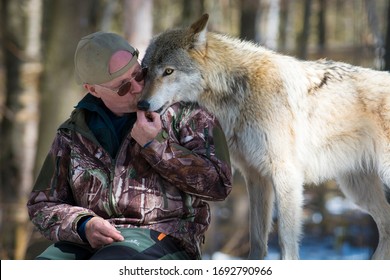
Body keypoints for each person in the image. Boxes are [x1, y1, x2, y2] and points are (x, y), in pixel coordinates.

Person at [27, 31, 232, 260]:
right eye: (123, 87)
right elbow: (42, 203)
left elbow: (219, 186)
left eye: (139, 74)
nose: (137, 88)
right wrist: (83, 225)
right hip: (86, 243)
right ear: (93, 90)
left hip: (163, 240)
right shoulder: (73, 133)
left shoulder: (187, 114)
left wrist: (156, 146)